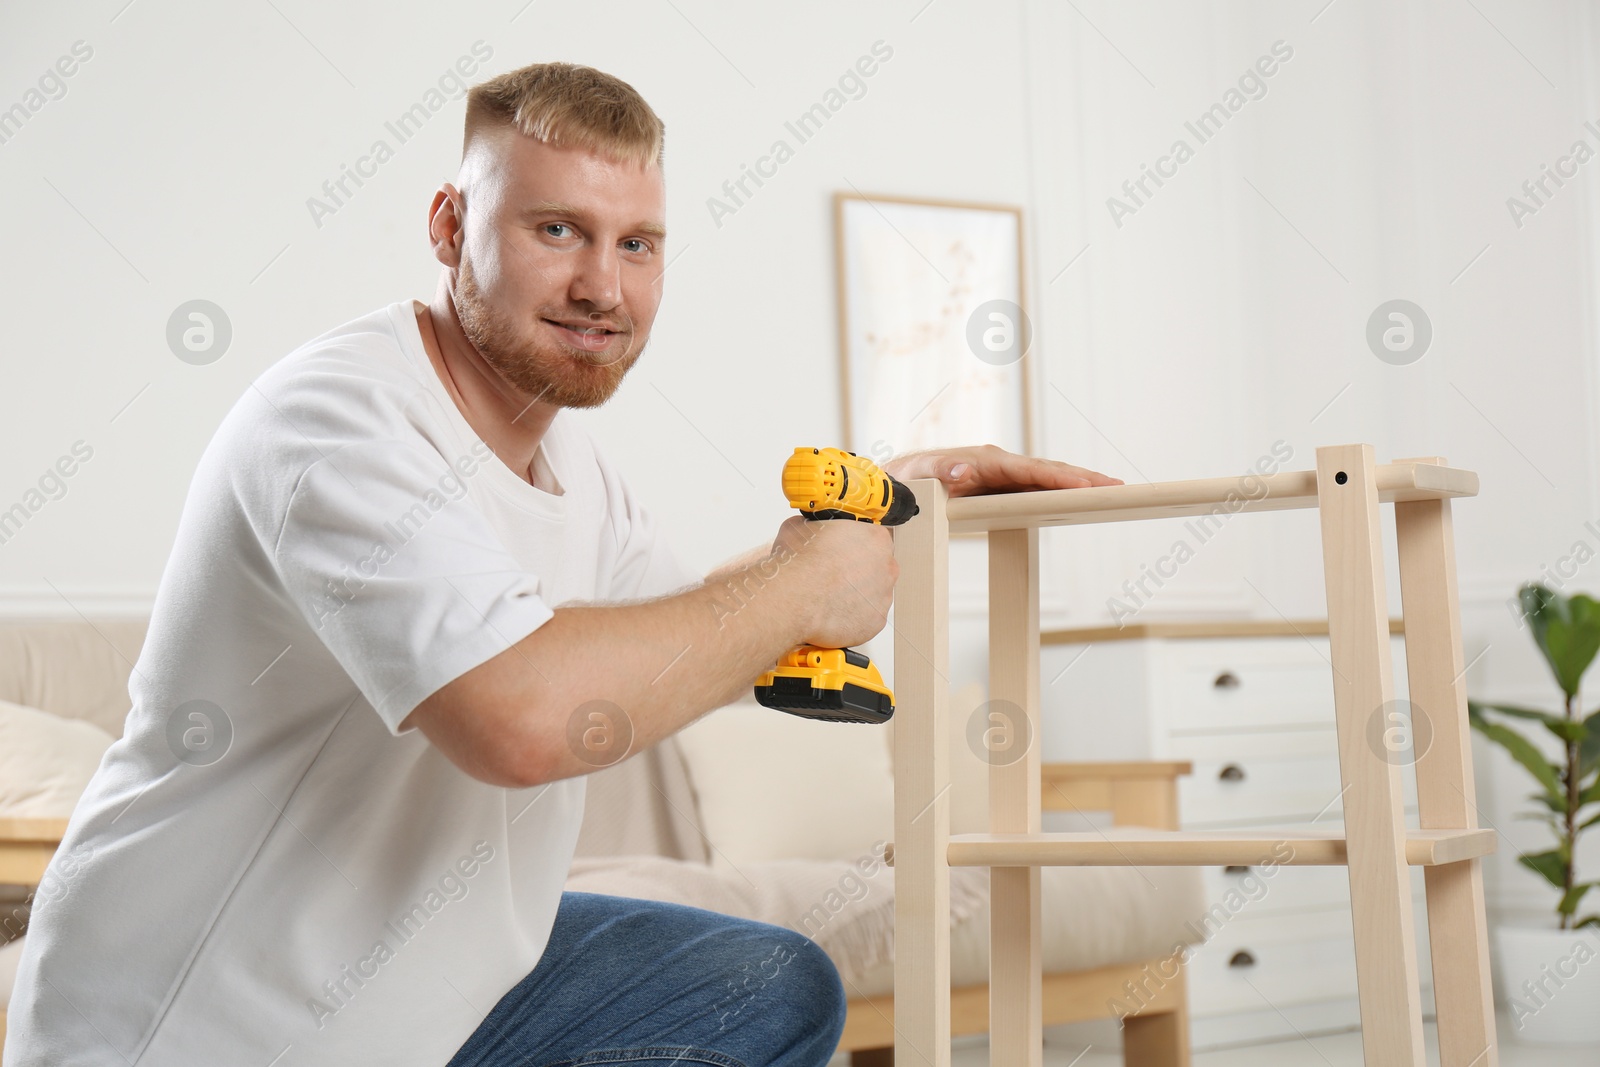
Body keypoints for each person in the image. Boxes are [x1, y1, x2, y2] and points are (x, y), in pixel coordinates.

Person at [3, 61, 1120, 1067]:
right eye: (558, 231)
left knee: (765, 986)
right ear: (449, 224)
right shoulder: (337, 417)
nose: (604, 286)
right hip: (207, 1028)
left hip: (424, 1002)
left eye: (636, 244)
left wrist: (894, 495)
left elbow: (685, 634)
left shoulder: (577, 472)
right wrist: (802, 586)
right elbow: (524, 719)